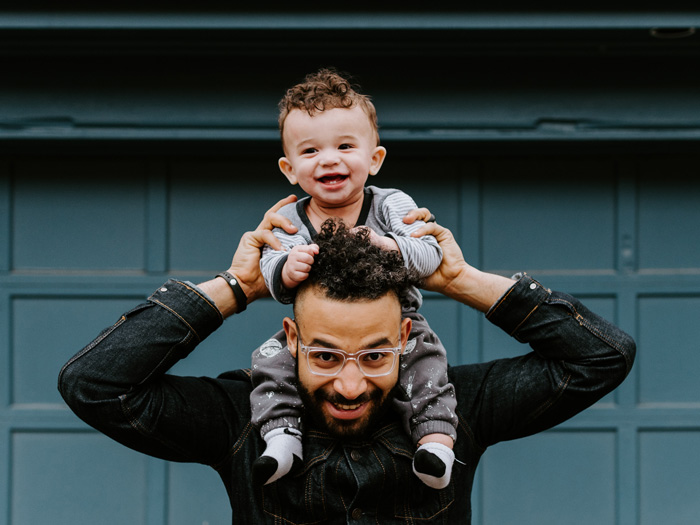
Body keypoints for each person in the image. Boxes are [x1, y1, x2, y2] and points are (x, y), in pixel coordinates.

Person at [58, 196, 636, 524]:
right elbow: (95, 384)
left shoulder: (455, 409)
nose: (352, 384)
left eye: (376, 354)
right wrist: (236, 286)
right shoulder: (241, 418)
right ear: (291, 339)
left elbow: (600, 357)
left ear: (407, 336)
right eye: (327, 356)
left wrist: (459, 280)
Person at [252, 68, 457, 489]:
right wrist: (285, 268)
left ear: (375, 159)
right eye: (310, 152)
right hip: (316, 332)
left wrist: (390, 246)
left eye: (345, 146)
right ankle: (281, 437)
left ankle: (435, 443)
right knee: (270, 361)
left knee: (427, 363)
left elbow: (429, 253)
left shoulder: (390, 205)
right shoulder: (289, 217)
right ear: (290, 169)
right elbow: (270, 269)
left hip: (398, 321)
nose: (329, 159)